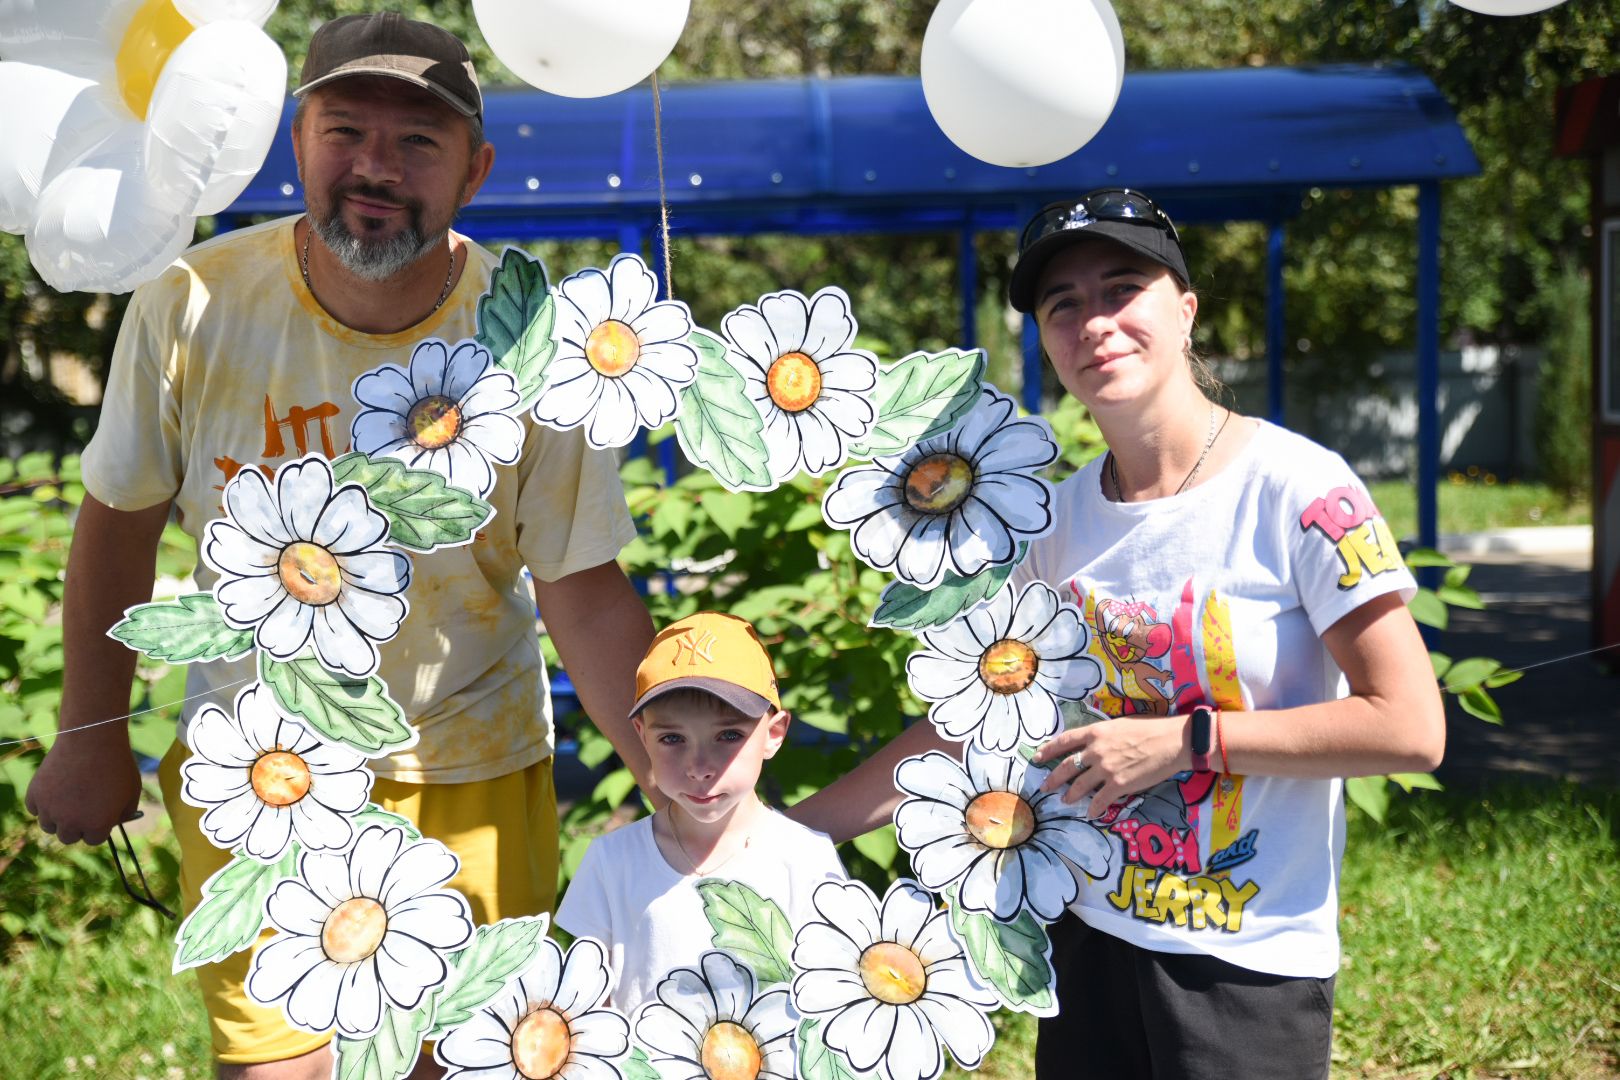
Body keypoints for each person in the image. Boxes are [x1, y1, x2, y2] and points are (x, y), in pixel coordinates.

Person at [24, 13, 655, 1080]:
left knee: (456, 1066)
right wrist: (89, 732)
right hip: (262, 768)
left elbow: (582, 586)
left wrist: (681, 781)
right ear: (296, 138)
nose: (376, 166)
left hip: (476, 767)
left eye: (419, 141)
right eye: (345, 129)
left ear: (475, 170)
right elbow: (117, 522)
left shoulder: (526, 330)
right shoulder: (194, 300)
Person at [1004, 188, 1445, 1078]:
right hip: (1087, 942)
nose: (1094, 322)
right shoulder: (1053, 522)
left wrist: (1187, 742)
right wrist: (791, 829)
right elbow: (981, 716)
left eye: (1122, 288)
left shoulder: (1300, 489)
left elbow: (1410, 727)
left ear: (1187, 308)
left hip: (1247, 967)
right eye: (1064, 305)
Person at [556, 611, 845, 1018]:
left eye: (728, 735)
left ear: (774, 734)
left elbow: (833, 996)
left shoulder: (805, 857)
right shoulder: (612, 860)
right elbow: (586, 1003)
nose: (699, 766)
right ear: (641, 735)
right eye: (672, 738)